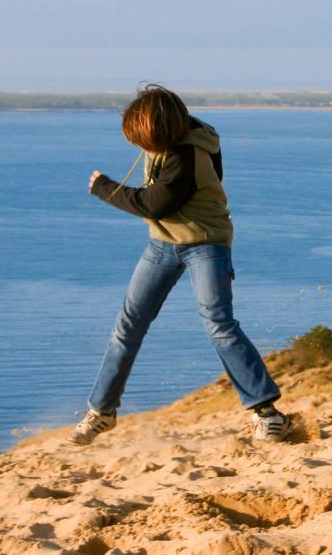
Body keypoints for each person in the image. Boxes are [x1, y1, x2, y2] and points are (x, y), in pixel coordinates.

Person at [70, 83, 292, 445]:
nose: (142, 146)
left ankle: (268, 414)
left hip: (205, 244)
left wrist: (104, 187)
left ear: (162, 128)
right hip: (162, 245)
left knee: (219, 325)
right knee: (128, 326)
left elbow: (154, 204)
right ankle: (102, 412)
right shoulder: (172, 138)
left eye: (144, 138)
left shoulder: (188, 155)